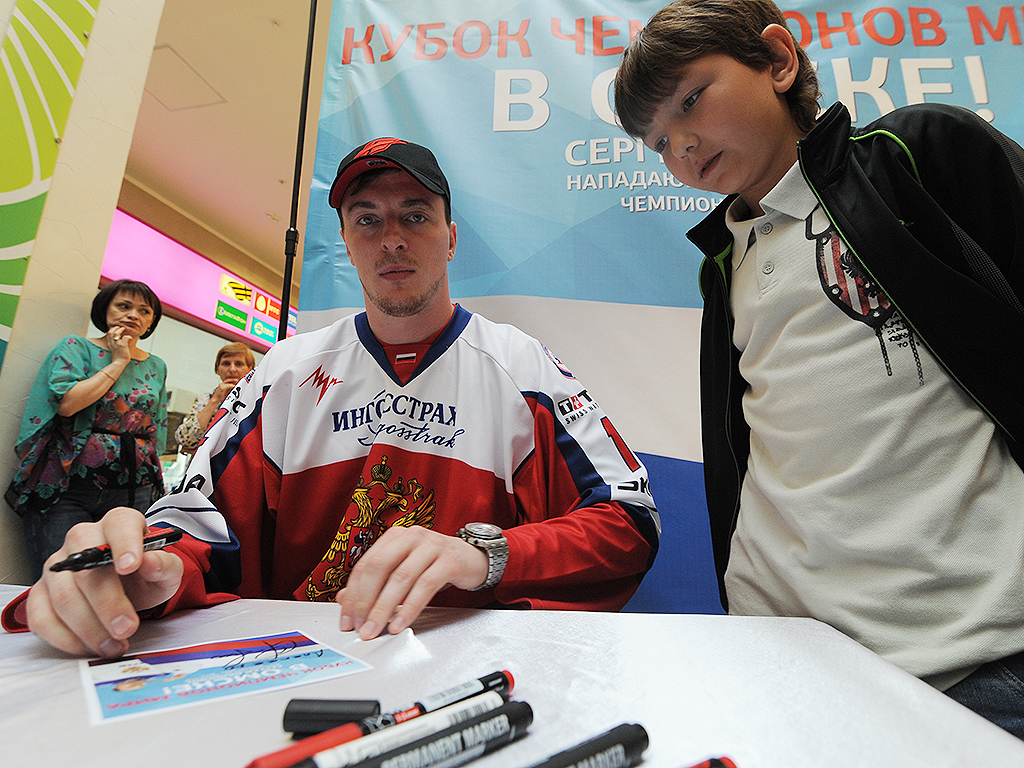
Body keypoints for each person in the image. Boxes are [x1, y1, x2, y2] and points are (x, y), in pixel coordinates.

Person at [5, 138, 659, 660]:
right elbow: (199, 521)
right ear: (345, 243)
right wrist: (150, 567)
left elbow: (631, 522)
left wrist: (484, 556)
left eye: (415, 215)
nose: (392, 238)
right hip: (298, 666)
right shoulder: (284, 371)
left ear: (451, 237)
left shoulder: (521, 363)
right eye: (367, 219)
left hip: (466, 668)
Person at [613, 0, 1024, 737]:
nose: (680, 144)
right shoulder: (724, 268)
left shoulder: (917, 156)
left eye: (691, 99)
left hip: (978, 661)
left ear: (777, 59)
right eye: (658, 140)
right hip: (784, 669)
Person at [5, 279, 168, 582]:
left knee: (122, 578)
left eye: (144, 311)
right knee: (61, 576)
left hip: (134, 487)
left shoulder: (157, 365)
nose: (133, 315)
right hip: (69, 484)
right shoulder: (75, 347)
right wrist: (120, 360)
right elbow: (67, 404)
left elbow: (156, 424)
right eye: (124, 306)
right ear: (104, 308)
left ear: (151, 322)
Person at [174, 342, 255, 454]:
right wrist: (215, 400)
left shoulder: (255, 402)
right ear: (217, 369)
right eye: (226, 363)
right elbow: (185, 439)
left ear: (250, 370)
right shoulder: (205, 399)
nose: (232, 369)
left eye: (239, 364)